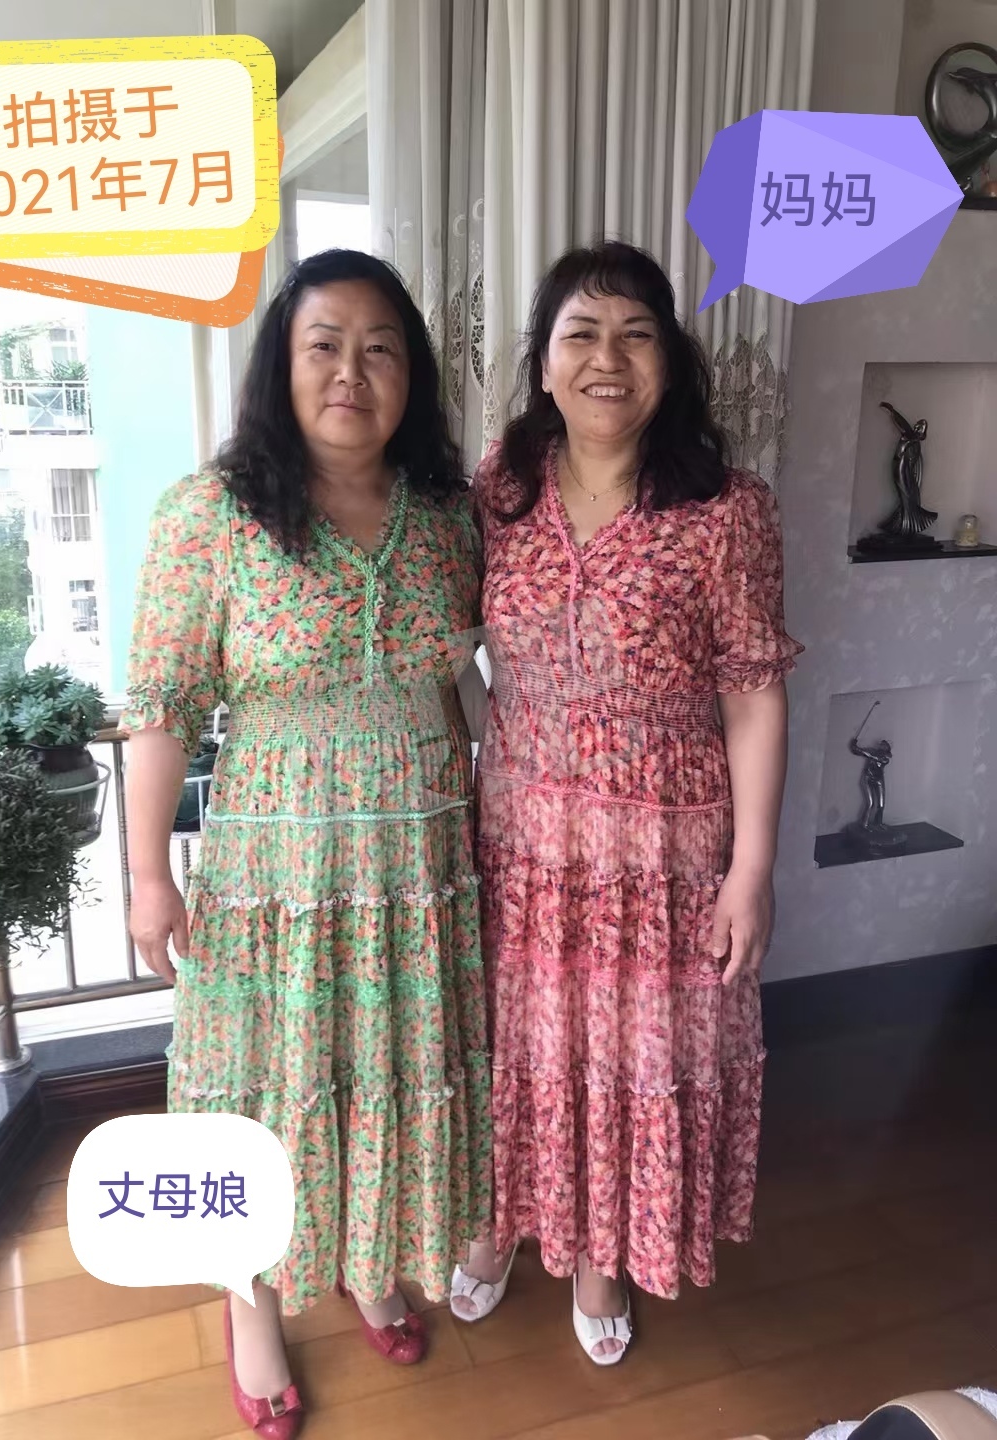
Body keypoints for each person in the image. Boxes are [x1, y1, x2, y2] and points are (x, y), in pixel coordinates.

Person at [122, 249, 491, 1439]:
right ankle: (254, 1308)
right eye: (323, 345)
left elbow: (466, 685)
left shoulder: (449, 518)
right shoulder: (210, 515)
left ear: (411, 377)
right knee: (270, 1086)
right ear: (280, 366)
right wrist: (146, 874)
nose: (350, 372)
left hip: (416, 870)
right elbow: (162, 707)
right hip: (275, 875)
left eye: (381, 349)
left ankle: (369, 1262)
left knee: (388, 1074)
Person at [449, 241, 803, 1365]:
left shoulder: (727, 509)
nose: (609, 358)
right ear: (544, 363)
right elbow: (447, 636)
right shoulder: (500, 488)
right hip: (522, 840)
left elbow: (754, 692)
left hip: (663, 849)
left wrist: (753, 869)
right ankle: (499, 1220)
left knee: (626, 1061)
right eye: (582, 334)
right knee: (519, 1046)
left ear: (671, 360)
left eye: (636, 334)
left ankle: (600, 1254)